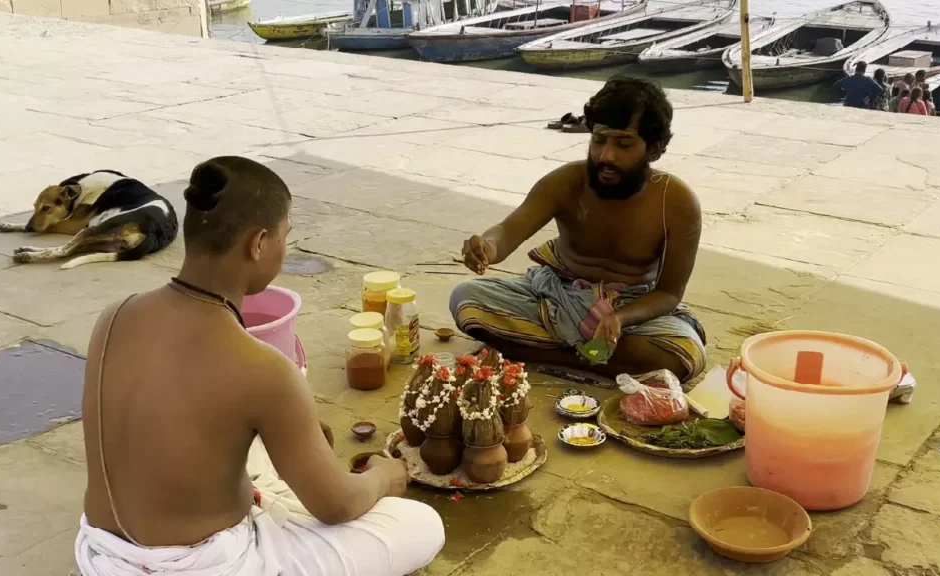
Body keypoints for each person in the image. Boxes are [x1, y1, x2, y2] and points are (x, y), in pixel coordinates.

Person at [75, 156, 444, 576]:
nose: (286, 248)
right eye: (286, 236)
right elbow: (337, 506)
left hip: (103, 555)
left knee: (264, 451)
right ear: (258, 243)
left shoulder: (115, 314)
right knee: (420, 525)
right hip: (203, 566)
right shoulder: (262, 367)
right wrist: (385, 477)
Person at [449, 77, 706, 381]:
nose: (606, 156)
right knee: (465, 299)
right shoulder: (566, 181)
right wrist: (486, 246)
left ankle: (540, 350)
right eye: (599, 140)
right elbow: (507, 231)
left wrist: (619, 317)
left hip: (633, 307)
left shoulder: (676, 202)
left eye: (623, 144)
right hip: (558, 295)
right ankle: (587, 357)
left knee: (686, 353)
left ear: (655, 149)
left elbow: (669, 292)